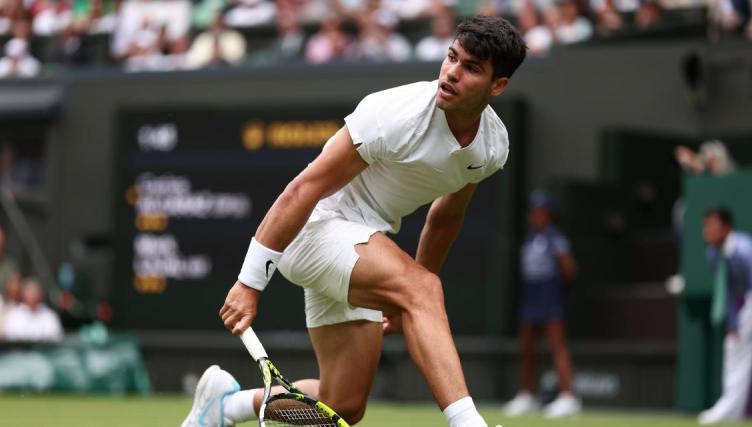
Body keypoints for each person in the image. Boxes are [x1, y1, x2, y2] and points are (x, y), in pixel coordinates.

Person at [181, 15, 527, 427]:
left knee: (341, 404)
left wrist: (410, 304)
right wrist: (249, 282)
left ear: (497, 86)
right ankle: (468, 423)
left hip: (360, 243)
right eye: (452, 57)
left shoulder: (492, 146)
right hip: (313, 228)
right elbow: (303, 189)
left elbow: (446, 215)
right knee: (423, 287)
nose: (451, 73)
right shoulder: (395, 113)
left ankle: (227, 405)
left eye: (471, 68)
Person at [503, 191, 581, 418]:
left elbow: (569, 269)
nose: (535, 215)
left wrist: (557, 290)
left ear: (548, 214)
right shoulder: (529, 238)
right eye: (533, 211)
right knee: (527, 348)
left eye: (540, 211)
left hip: (549, 296)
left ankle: (569, 397)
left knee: (557, 346)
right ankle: (528, 395)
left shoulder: (555, 237)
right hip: (531, 296)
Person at [697, 207, 752, 425]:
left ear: (727, 228)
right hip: (743, 308)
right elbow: (726, 289)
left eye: (713, 226)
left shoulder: (744, 250)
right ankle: (731, 409)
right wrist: (732, 321)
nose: (707, 231)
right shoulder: (712, 253)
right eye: (705, 226)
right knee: (733, 347)